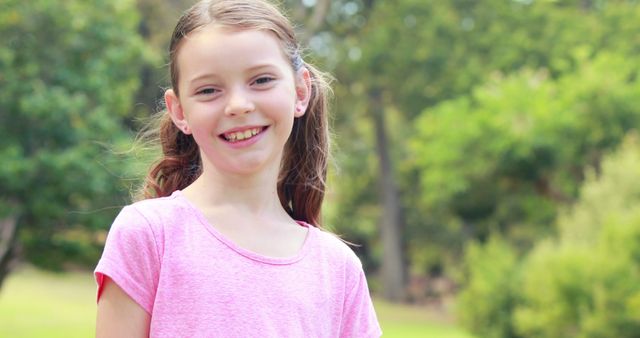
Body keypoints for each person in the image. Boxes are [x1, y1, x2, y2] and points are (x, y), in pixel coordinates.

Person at [94, 0, 382, 337]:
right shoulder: (148, 235)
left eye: (261, 80)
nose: (239, 105)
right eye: (209, 90)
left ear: (300, 91)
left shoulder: (338, 269)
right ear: (179, 110)